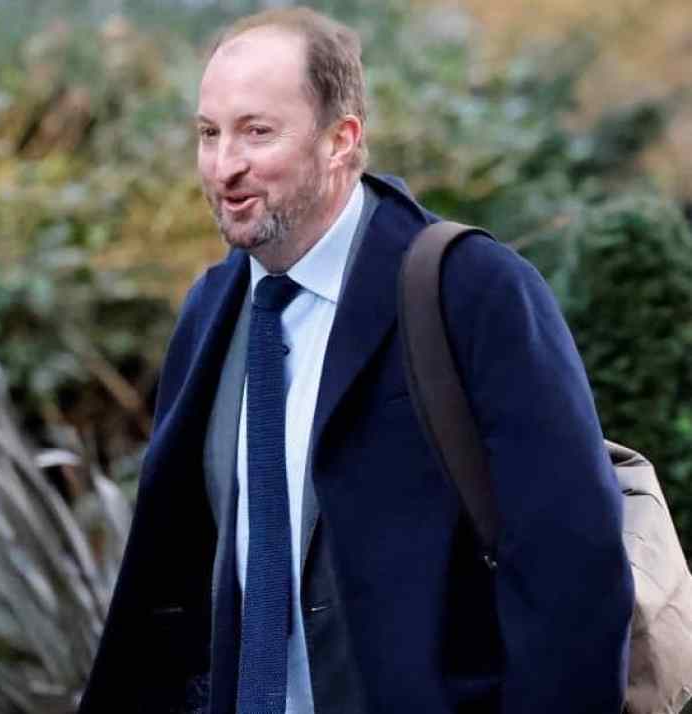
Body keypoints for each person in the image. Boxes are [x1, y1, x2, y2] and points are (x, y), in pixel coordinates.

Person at [78, 7, 633, 714]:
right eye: (209, 133)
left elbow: (573, 574)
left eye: (257, 131)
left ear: (341, 140)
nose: (225, 166)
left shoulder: (471, 289)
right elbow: (174, 578)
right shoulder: (210, 310)